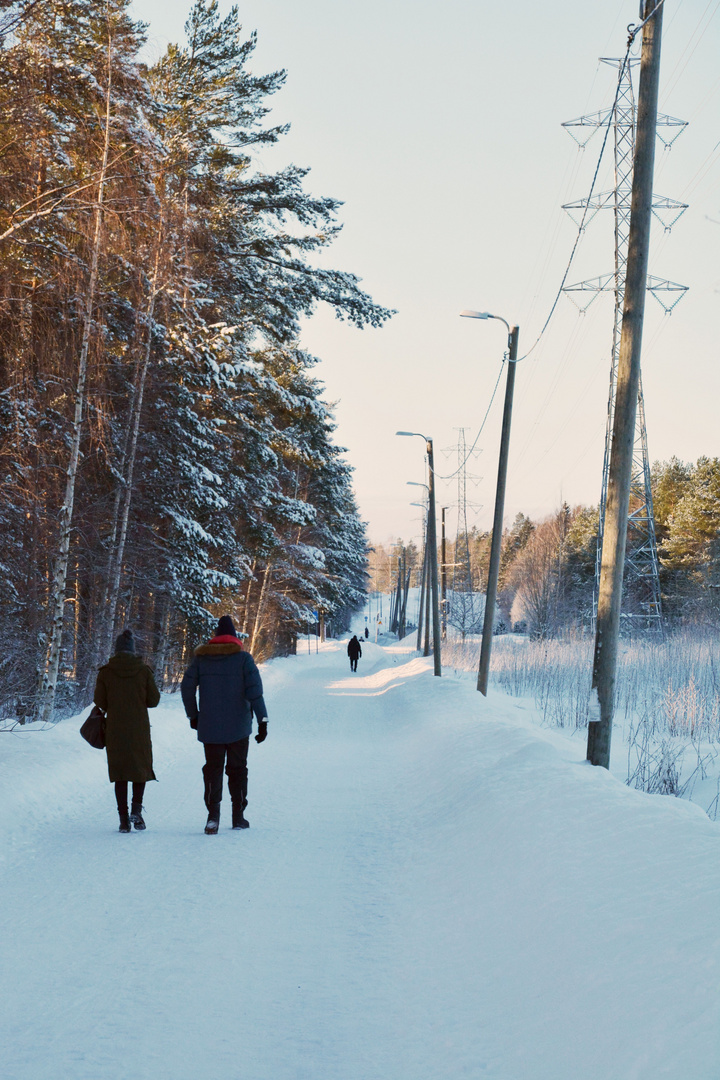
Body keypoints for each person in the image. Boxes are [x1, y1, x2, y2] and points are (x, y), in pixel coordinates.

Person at [181, 615, 268, 834]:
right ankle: (238, 816)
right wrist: (262, 721)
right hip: (239, 727)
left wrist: (193, 715)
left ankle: (213, 817)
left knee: (213, 770)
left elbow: (186, 688)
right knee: (238, 770)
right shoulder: (244, 660)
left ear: (216, 638)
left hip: (210, 727)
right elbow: (255, 692)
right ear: (235, 638)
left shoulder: (201, 660)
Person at [93, 629, 160, 833]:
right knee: (139, 771)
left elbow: (99, 701)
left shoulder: (106, 672)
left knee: (120, 773)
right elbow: (154, 700)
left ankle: (123, 820)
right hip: (138, 729)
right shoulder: (143, 671)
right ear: (132, 650)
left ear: (116, 650)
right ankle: (136, 811)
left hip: (115, 730)